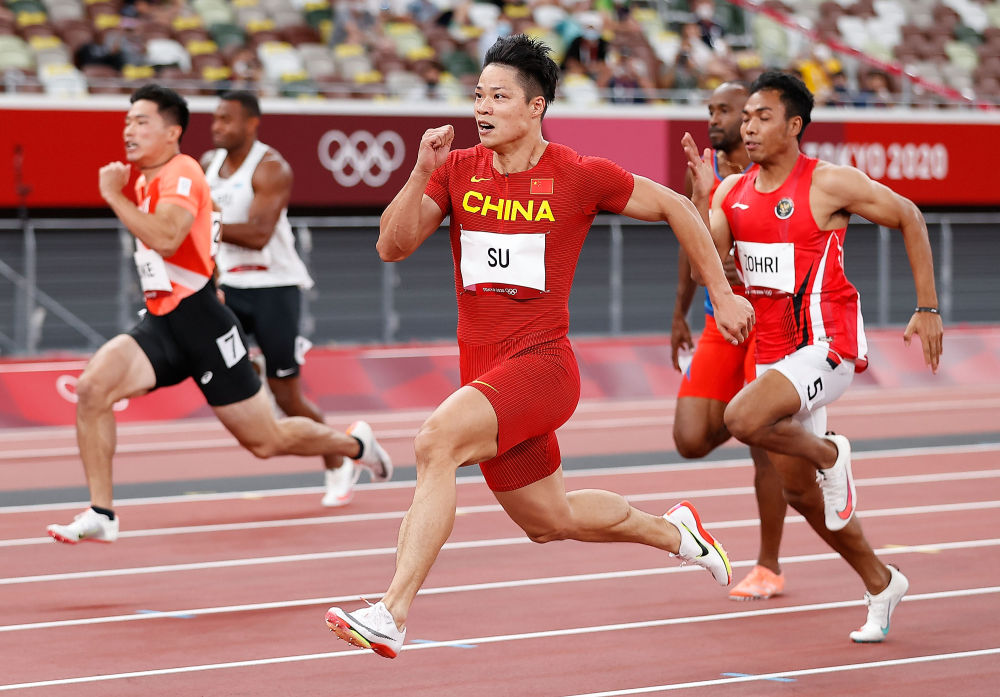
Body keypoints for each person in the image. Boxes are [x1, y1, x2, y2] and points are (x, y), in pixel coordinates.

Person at [324, 35, 755, 659]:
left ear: (536, 108)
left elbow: (678, 209)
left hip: (543, 367)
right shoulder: (456, 169)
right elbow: (392, 245)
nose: (483, 107)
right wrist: (420, 169)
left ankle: (391, 612)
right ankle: (676, 532)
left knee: (434, 443)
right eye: (478, 95)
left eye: (499, 96)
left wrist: (723, 290)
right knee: (550, 520)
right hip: (485, 370)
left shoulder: (577, 174)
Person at [46, 84, 392, 544]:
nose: (129, 130)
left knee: (266, 440)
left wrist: (114, 197)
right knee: (92, 389)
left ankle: (355, 446)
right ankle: (102, 512)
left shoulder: (184, 171)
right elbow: (191, 249)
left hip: (207, 326)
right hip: (164, 321)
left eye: (141, 121)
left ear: (172, 133)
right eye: (127, 121)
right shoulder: (149, 178)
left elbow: (168, 238)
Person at [707, 71, 943, 642]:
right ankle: (882, 581)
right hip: (774, 353)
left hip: (828, 345)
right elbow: (710, 263)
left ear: (794, 126)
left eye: (763, 116)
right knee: (801, 496)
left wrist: (928, 308)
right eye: (747, 118)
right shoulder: (729, 193)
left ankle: (831, 454)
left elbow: (908, 214)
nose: (749, 126)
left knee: (740, 418)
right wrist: (696, 213)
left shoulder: (829, 183)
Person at [200, 91, 390, 507]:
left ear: (251, 124)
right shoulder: (206, 165)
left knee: (287, 396)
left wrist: (200, 222)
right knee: (200, 348)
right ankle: (251, 368)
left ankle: (341, 456)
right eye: (214, 119)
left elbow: (257, 235)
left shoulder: (270, 168)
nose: (217, 127)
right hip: (228, 285)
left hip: (275, 288)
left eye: (226, 120)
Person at [672, 81, 787, 602]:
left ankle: (768, 566)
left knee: (760, 443)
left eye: (726, 110)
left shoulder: (772, 177)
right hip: (721, 322)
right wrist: (679, 313)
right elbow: (690, 245)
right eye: (711, 109)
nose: (715, 118)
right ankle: (792, 440)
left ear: (752, 118)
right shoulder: (707, 173)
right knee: (690, 439)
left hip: (767, 325)